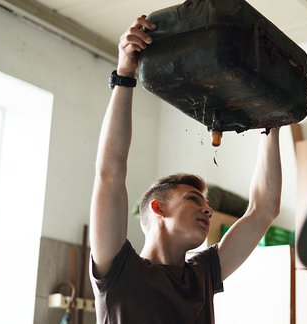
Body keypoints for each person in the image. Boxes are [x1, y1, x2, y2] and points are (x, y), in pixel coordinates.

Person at [89, 16, 282, 323]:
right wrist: (125, 74)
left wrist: (271, 123)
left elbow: (263, 210)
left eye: (205, 203)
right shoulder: (120, 271)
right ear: (158, 208)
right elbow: (110, 173)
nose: (207, 210)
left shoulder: (202, 275)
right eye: (194, 199)